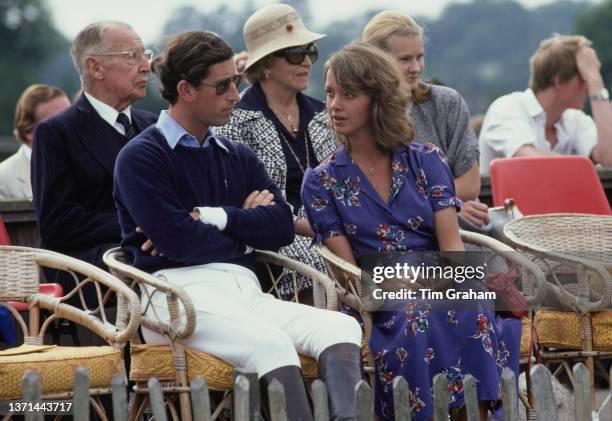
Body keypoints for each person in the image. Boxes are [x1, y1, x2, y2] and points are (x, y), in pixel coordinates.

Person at [113, 30, 362, 421]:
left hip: (244, 290)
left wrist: (216, 217)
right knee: (270, 344)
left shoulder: (237, 154)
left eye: (237, 81)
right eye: (224, 84)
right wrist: (246, 233)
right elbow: (178, 242)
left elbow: (280, 225)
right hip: (175, 300)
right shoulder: (141, 157)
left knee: (341, 328)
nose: (235, 93)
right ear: (186, 89)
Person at [302, 42, 520, 421]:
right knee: (419, 313)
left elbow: (452, 246)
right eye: (331, 93)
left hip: (440, 271)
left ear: (378, 100)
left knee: (473, 304)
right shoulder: (320, 182)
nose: (334, 105)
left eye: (348, 95)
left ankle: (478, 414)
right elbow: (348, 274)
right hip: (375, 287)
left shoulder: (425, 159)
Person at [215, 3, 336, 300]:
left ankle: (452, 335)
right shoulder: (235, 121)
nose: (307, 62)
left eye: (311, 52)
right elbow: (247, 207)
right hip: (279, 244)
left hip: (335, 230)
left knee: (418, 264)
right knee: (331, 268)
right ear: (266, 64)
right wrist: (304, 225)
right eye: (296, 54)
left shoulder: (324, 114)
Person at [31, 21, 157, 282]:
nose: (146, 66)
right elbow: (58, 224)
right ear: (95, 67)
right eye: (132, 56)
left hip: (157, 248)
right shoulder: (57, 132)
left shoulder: (154, 125)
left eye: (146, 54)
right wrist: (142, 225)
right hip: (91, 268)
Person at [363, 11, 489, 228]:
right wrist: (445, 206)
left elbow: (470, 184)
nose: (416, 67)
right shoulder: (359, 112)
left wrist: (434, 207)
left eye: (419, 57)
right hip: (390, 234)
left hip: (459, 227)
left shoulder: (446, 102)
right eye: (404, 59)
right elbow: (370, 198)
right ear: (377, 61)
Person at [479, 34, 612, 176]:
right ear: (559, 82)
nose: (589, 87)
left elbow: (608, 158)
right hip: (502, 198)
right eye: (584, 77)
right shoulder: (507, 108)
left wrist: (597, 85)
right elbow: (529, 160)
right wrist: (586, 167)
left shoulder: (575, 119)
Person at [0, 84, 70, 201]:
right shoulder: (3, 179)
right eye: (57, 121)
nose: (69, 125)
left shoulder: (84, 166)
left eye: (71, 116)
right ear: (29, 131)